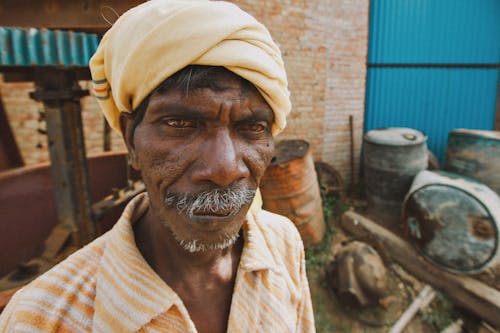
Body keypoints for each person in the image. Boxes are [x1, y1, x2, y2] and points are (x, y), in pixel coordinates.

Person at [0, 0, 315, 332]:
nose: (225, 169)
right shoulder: (39, 320)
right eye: (180, 123)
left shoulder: (283, 244)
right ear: (130, 140)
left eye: (252, 128)